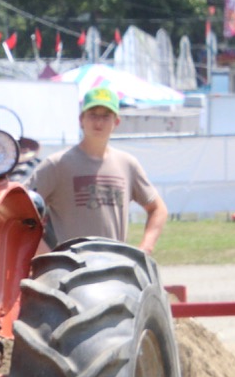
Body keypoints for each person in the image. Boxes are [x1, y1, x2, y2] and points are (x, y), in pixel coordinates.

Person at [29, 87, 169, 253]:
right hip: (71, 269)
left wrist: (145, 248)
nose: (99, 122)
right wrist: (46, 255)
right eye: (93, 115)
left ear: (116, 122)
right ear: (81, 120)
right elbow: (17, 211)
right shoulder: (57, 164)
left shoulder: (127, 164)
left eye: (106, 116)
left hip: (115, 266)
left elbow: (158, 209)